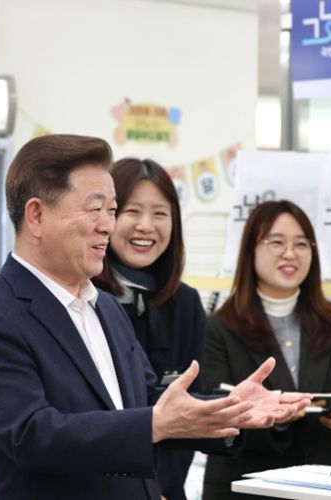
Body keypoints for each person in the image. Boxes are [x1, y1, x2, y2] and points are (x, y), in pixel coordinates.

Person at [0, 135, 310, 500]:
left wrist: (229, 409)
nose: (108, 225)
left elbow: (149, 400)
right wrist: (154, 423)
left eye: (112, 209)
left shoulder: (105, 306)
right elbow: (33, 435)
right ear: (37, 215)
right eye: (95, 209)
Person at [202, 200, 331, 499]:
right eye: (276, 242)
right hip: (248, 485)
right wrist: (271, 416)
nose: (290, 253)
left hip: (328, 486)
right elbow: (213, 415)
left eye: (301, 244)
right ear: (250, 250)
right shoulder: (219, 327)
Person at [93, 158, 204, 500]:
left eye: (159, 214)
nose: (146, 226)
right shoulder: (84, 298)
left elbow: (189, 408)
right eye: (132, 211)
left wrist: (160, 489)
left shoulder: (186, 303)